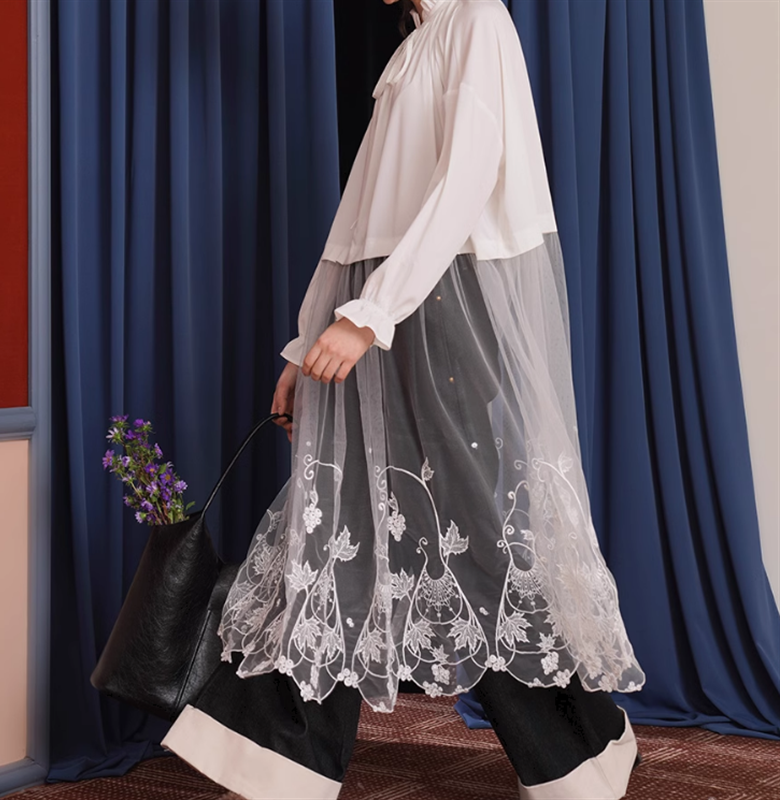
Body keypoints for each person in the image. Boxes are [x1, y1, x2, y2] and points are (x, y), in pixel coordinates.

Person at [161, 1, 645, 798]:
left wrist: (367, 316)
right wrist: (311, 339)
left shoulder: (477, 20)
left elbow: (467, 181)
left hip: (441, 307)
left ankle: (581, 746)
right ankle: (284, 753)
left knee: (466, 530)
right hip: (384, 307)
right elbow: (360, 218)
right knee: (343, 517)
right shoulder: (415, 46)